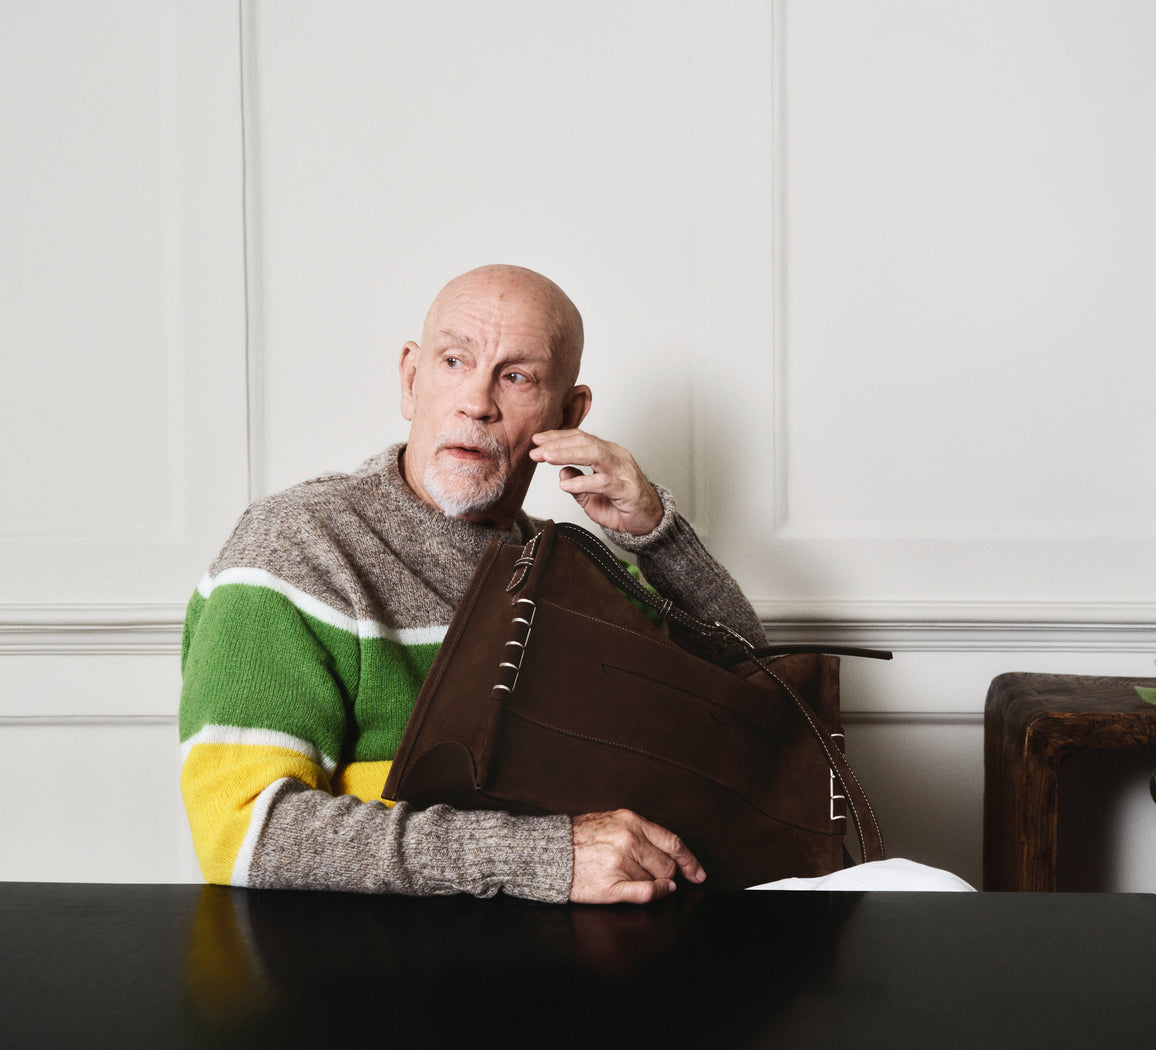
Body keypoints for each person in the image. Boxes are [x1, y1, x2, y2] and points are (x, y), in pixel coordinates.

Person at [179, 264, 767, 905]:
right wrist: (548, 855)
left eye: (517, 377)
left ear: (566, 414)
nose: (477, 402)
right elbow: (245, 828)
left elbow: (755, 700)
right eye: (455, 361)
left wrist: (658, 534)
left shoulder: (571, 563)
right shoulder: (295, 545)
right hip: (355, 981)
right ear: (410, 379)